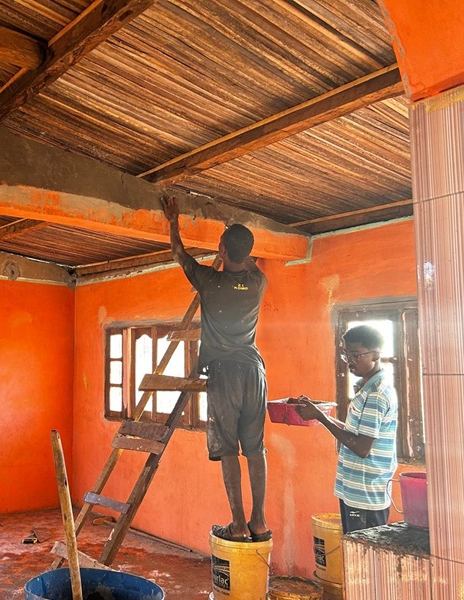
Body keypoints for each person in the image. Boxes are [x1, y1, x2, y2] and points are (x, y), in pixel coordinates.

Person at [161, 196, 271, 543]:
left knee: (228, 449)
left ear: (221, 251)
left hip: (225, 374)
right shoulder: (258, 283)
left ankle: (237, 523)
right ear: (249, 254)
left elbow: (179, 254)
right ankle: (259, 521)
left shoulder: (210, 282)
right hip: (255, 371)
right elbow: (244, 258)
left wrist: (173, 220)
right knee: (255, 450)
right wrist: (231, 237)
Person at [295, 325, 398, 533]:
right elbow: (356, 434)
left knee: (363, 559)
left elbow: (362, 447)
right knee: (355, 554)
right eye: (346, 355)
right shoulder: (368, 388)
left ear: (376, 355)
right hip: (356, 490)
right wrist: (320, 414)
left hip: (365, 495)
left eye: (356, 355)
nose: (350, 361)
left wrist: (321, 418)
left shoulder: (376, 394)